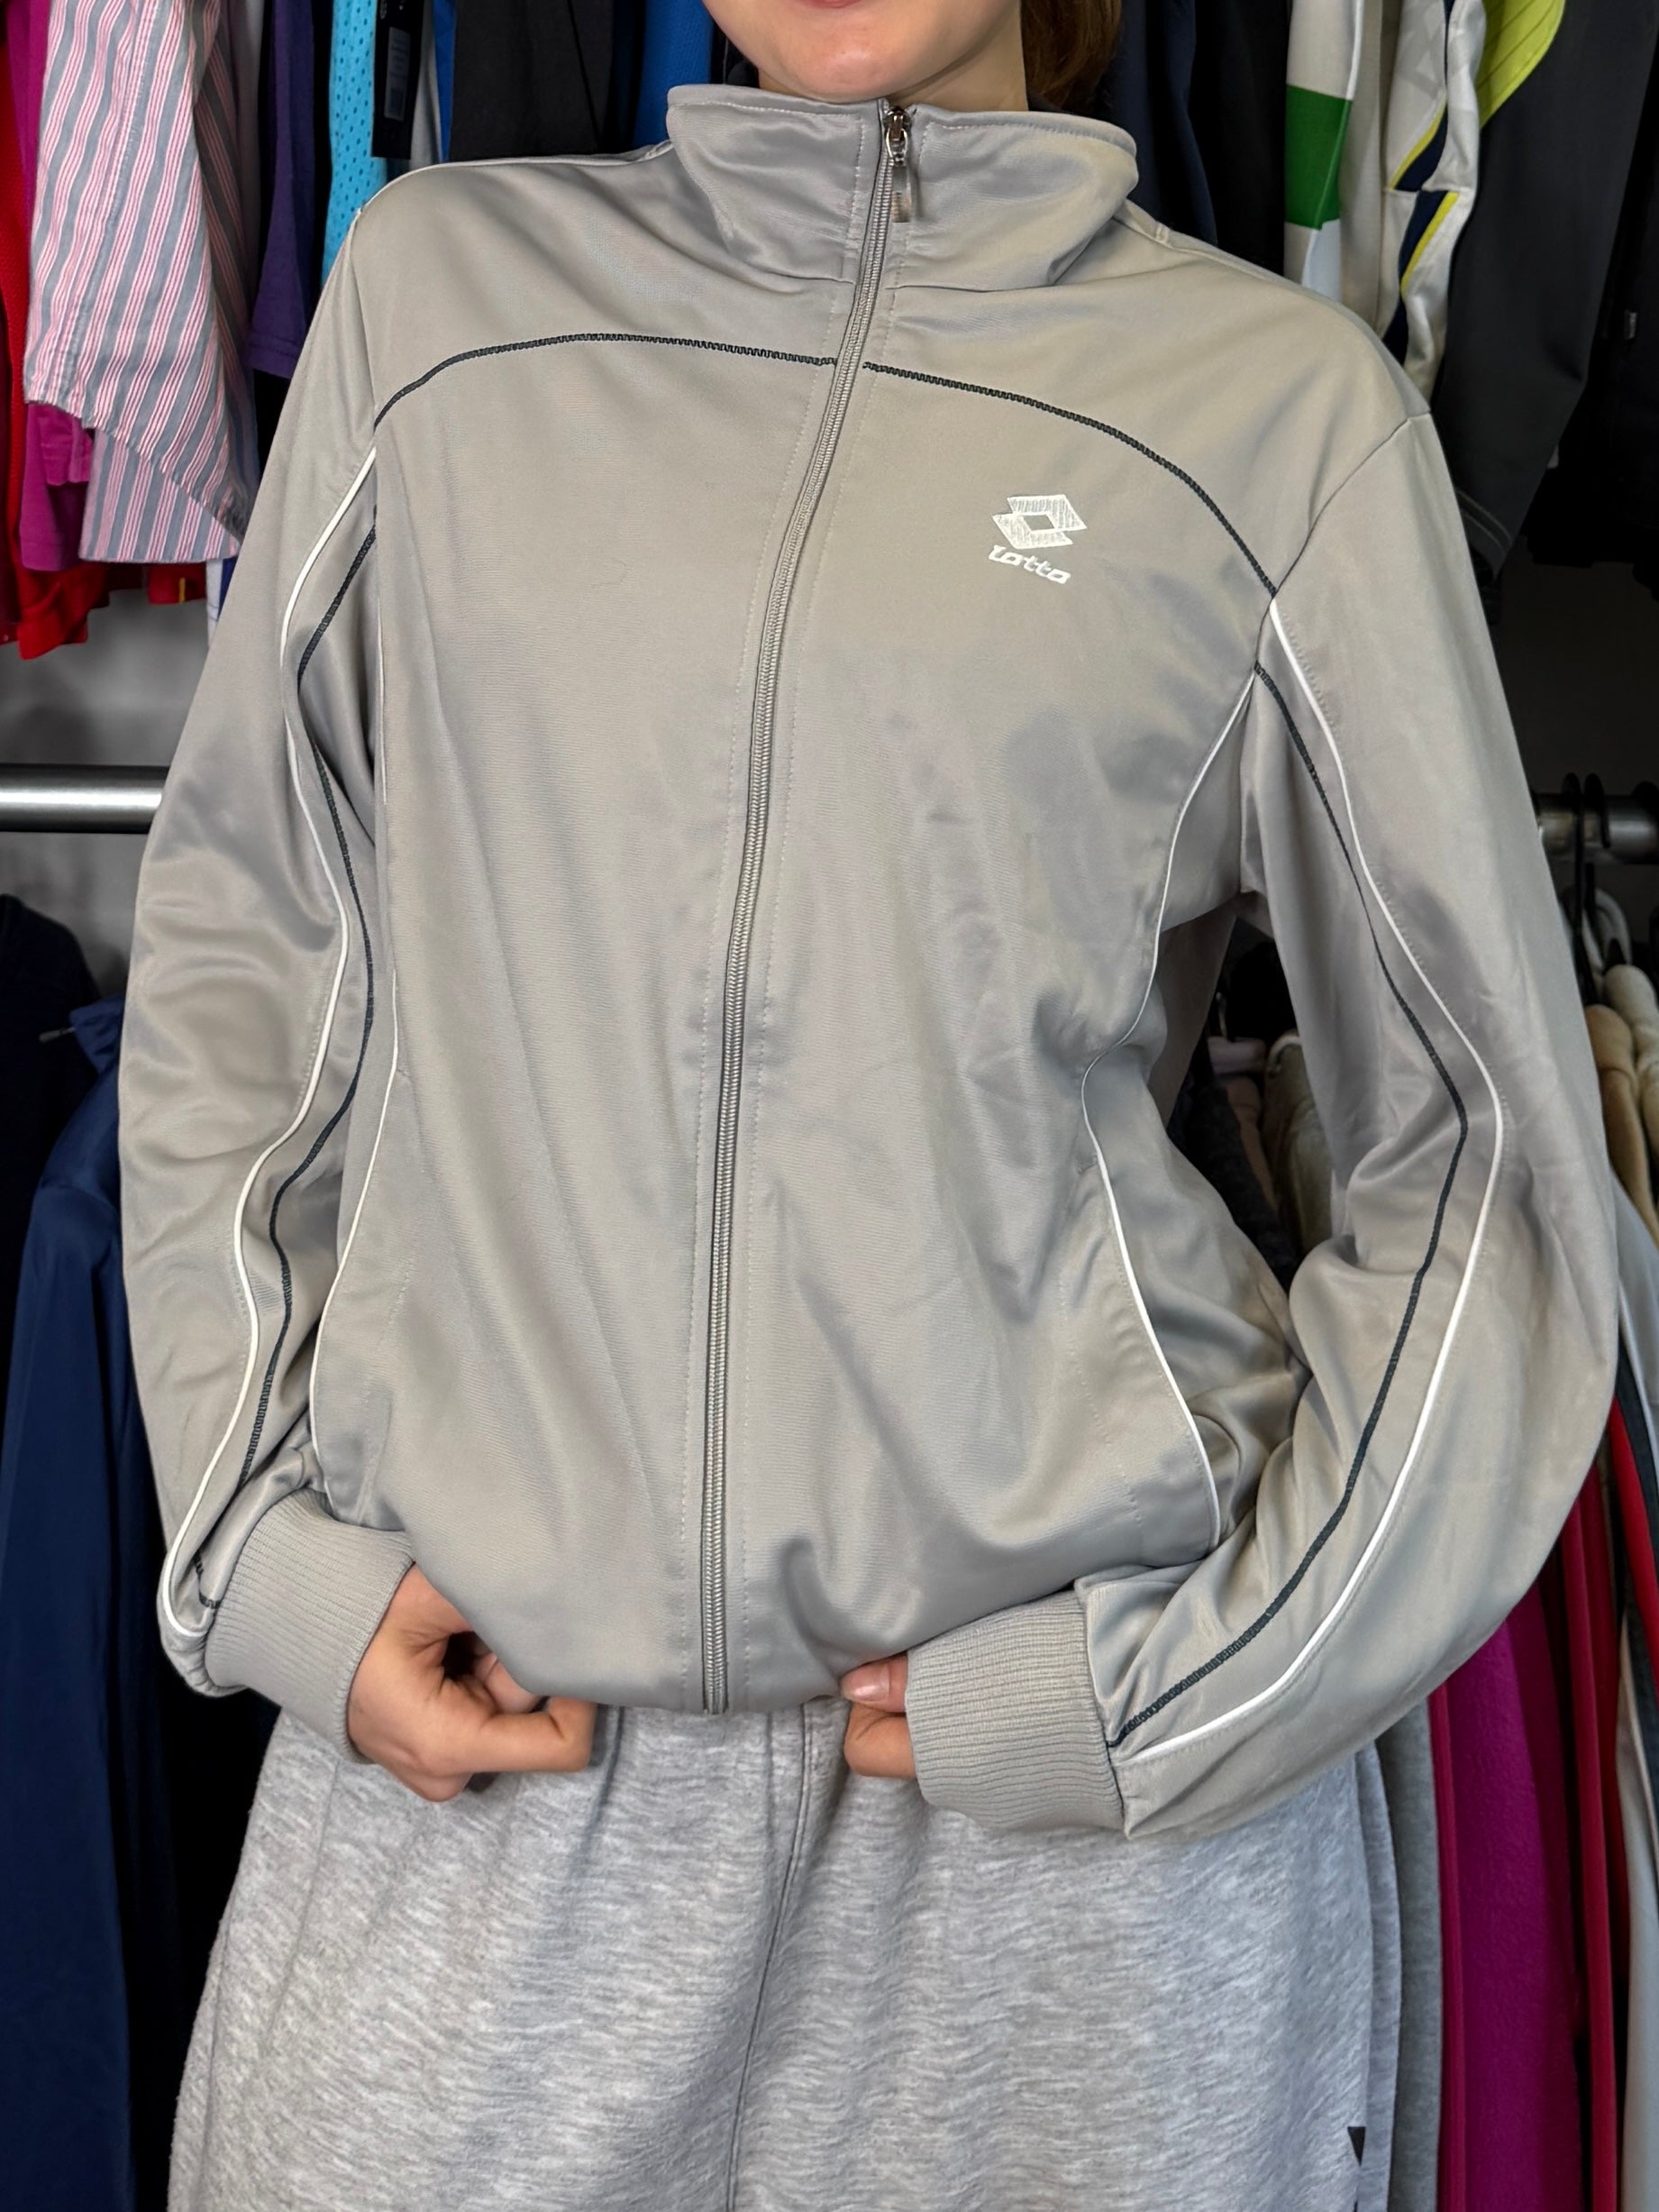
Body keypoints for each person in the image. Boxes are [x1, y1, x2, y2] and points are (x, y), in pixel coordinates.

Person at [119, 1, 1618, 2205]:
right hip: (496, 1776)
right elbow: (255, 947)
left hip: (1057, 1834)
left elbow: (1491, 1153)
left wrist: (1189, 1684)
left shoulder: (1279, 418)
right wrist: (259, 1543)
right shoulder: (442, 309)